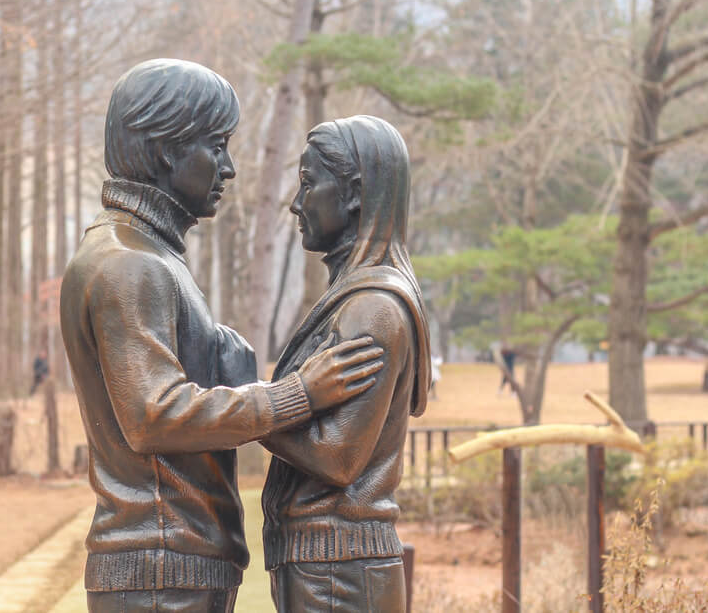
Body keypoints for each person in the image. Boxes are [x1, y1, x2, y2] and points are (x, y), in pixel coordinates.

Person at [59, 59, 385, 613]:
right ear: (167, 151)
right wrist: (296, 396)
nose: (228, 168)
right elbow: (153, 416)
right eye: (216, 146)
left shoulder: (148, 255)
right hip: (159, 566)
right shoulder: (130, 263)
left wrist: (221, 371)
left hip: (172, 561)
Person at [260, 116, 432, 613]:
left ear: (354, 194)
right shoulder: (351, 298)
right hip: (329, 565)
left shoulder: (372, 308)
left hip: (341, 575)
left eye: (310, 184)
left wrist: (252, 409)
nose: (296, 203)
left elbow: (338, 457)